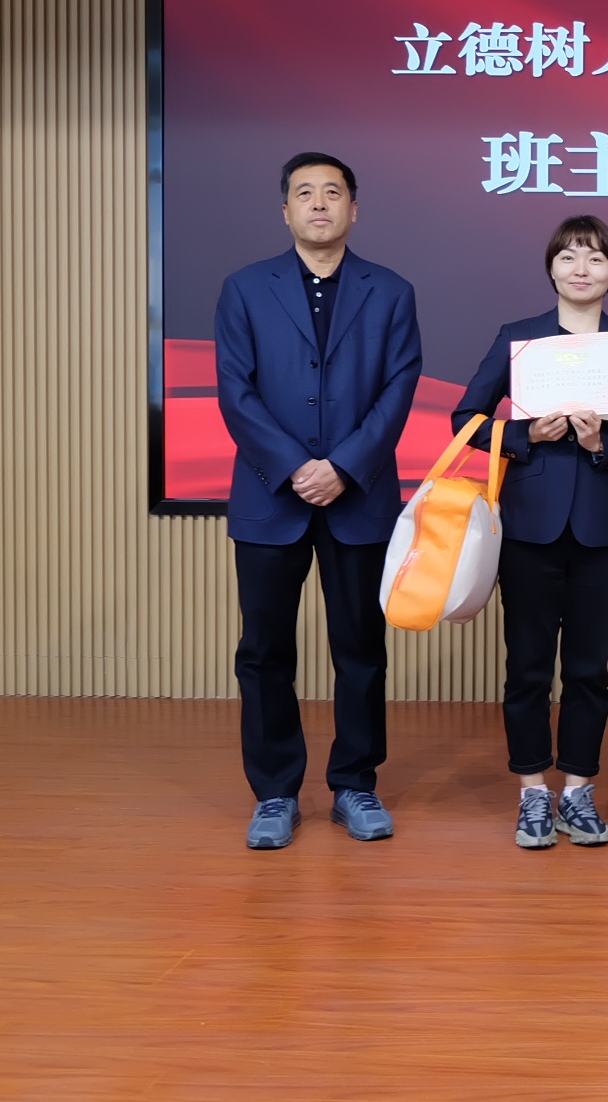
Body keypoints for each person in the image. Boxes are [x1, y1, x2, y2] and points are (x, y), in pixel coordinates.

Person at [213, 152, 423, 851]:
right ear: (286, 211)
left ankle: (355, 784)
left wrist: (344, 467)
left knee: (360, 647)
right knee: (264, 649)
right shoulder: (245, 288)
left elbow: (399, 388)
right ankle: (274, 792)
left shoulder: (390, 291)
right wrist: (296, 467)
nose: (320, 204)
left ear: (354, 209)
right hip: (271, 495)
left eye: (333, 192)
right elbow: (235, 391)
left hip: (358, 498)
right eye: (305, 193)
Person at [454, 216, 608, 851]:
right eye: (569, 256)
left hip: (603, 530)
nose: (581, 269)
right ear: (551, 268)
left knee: (588, 669)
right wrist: (524, 435)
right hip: (529, 528)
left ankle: (577, 788)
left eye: (596, 259)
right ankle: (531, 792)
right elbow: (466, 419)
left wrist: (602, 444)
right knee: (527, 668)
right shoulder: (518, 338)